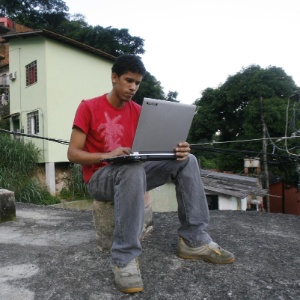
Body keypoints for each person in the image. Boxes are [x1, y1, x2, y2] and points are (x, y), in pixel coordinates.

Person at [67, 54, 235, 294]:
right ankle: (123, 257)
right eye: (128, 80)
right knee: (131, 167)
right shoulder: (88, 107)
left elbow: (150, 152)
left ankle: (193, 240)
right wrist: (108, 155)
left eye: (137, 83)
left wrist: (177, 150)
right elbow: (73, 154)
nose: (133, 87)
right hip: (99, 178)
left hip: (133, 171)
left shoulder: (139, 111)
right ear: (114, 78)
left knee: (188, 161)